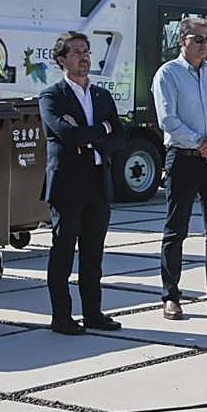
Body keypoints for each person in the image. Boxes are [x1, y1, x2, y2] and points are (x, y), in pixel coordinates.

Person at [38, 31, 127, 335]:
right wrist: (99, 130)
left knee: (93, 254)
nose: (84, 57)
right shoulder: (51, 96)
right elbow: (67, 135)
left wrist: (94, 130)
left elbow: (119, 135)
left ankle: (93, 312)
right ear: (62, 60)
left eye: (87, 51)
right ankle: (61, 316)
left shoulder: (101, 95)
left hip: (98, 182)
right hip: (67, 185)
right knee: (63, 252)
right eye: (76, 52)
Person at [152, 17, 207, 320]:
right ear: (182, 40)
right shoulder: (168, 74)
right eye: (198, 39)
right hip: (184, 157)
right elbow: (168, 119)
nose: (204, 45)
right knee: (176, 229)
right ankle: (170, 296)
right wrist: (202, 143)